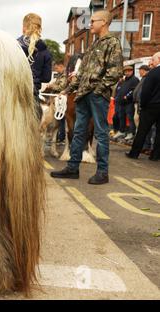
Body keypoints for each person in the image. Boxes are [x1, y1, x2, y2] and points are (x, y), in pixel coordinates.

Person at [50, 10, 123, 185]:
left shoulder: (112, 43)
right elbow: (81, 74)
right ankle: (72, 168)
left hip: (97, 96)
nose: (89, 24)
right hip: (83, 95)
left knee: (100, 132)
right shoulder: (93, 45)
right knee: (77, 132)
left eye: (92, 21)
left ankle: (102, 172)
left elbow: (115, 72)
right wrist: (67, 90)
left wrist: (97, 90)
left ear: (104, 22)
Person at [17, 13, 52, 120]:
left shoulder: (14, 46)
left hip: (14, 94)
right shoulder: (45, 51)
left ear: (23, 28)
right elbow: (46, 78)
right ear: (40, 28)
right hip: (33, 96)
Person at [126, 52, 160, 161]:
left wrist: (143, 105)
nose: (151, 62)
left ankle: (134, 153)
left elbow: (146, 91)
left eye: (153, 60)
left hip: (150, 106)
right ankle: (155, 156)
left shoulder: (153, 73)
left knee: (142, 130)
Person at [112, 65, 139, 141]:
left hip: (129, 102)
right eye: (125, 71)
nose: (127, 73)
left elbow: (134, 90)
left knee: (130, 118)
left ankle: (131, 133)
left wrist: (127, 96)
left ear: (132, 71)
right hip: (121, 102)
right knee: (121, 117)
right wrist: (117, 97)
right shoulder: (123, 80)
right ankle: (121, 131)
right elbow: (119, 89)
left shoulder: (135, 79)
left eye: (128, 71)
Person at [45, 60, 68, 143]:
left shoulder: (64, 75)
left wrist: (51, 86)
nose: (56, 70)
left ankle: (61, 137)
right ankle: (58, 136)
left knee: (61, 119)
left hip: (61, 100)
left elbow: (61, 87)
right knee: (58, 119)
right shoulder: (60, 75)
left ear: (61, 66)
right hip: (57, 99)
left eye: (57, 68)